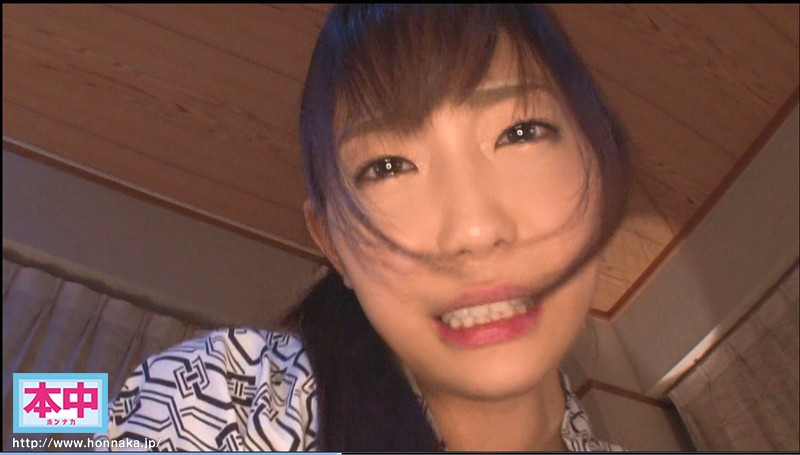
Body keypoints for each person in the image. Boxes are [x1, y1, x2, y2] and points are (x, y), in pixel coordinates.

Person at [98, 4, 630, 452]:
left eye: (521, 132)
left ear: (601, 165)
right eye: (388, 167)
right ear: (333, 244)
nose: (472, 230)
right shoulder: (222, 402)